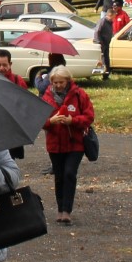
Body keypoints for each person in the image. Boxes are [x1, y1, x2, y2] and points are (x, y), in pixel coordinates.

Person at [41, 66, 94, 225]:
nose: (58, 85)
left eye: (61, 82)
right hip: (55, 144)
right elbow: (40, 121)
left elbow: (89, 116)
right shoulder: (47, 97)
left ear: (68, 81)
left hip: (75, 143)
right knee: (59, 176)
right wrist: (51, 121)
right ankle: (60, 208)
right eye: (55, 82)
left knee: (69, 173)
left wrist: (73, 121)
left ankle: (67, 210)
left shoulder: (79, 95)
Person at [93, 12, 117, 79]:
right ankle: (103, 74)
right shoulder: (103, 21)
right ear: (110, 15)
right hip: (102, 44)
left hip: (106, 43)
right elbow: (97, 31)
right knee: (103, 61)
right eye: (113, 17)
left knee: (106, 60)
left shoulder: (109, 22)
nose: (114, 19)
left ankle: (106, 75)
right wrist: (99, 43)